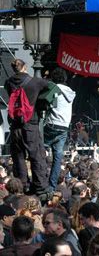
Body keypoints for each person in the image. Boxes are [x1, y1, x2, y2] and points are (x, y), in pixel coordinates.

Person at [5, 59, 50, 197]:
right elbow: (49, 86)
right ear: (24, 67)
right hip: (31, 123)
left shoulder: (8, 82)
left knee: (18, 156)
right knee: (36, 155)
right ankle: (40, 187)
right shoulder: (35, 82)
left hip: (15, 125)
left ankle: (22, 185)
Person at [44, 68, 76, 191]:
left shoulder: (54, 89)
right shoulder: (70, 92)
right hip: (64, 127)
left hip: (52, 124)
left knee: (39, 150)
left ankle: (41, 181)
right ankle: (52, 187)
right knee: (57, 158)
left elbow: (46, 103)